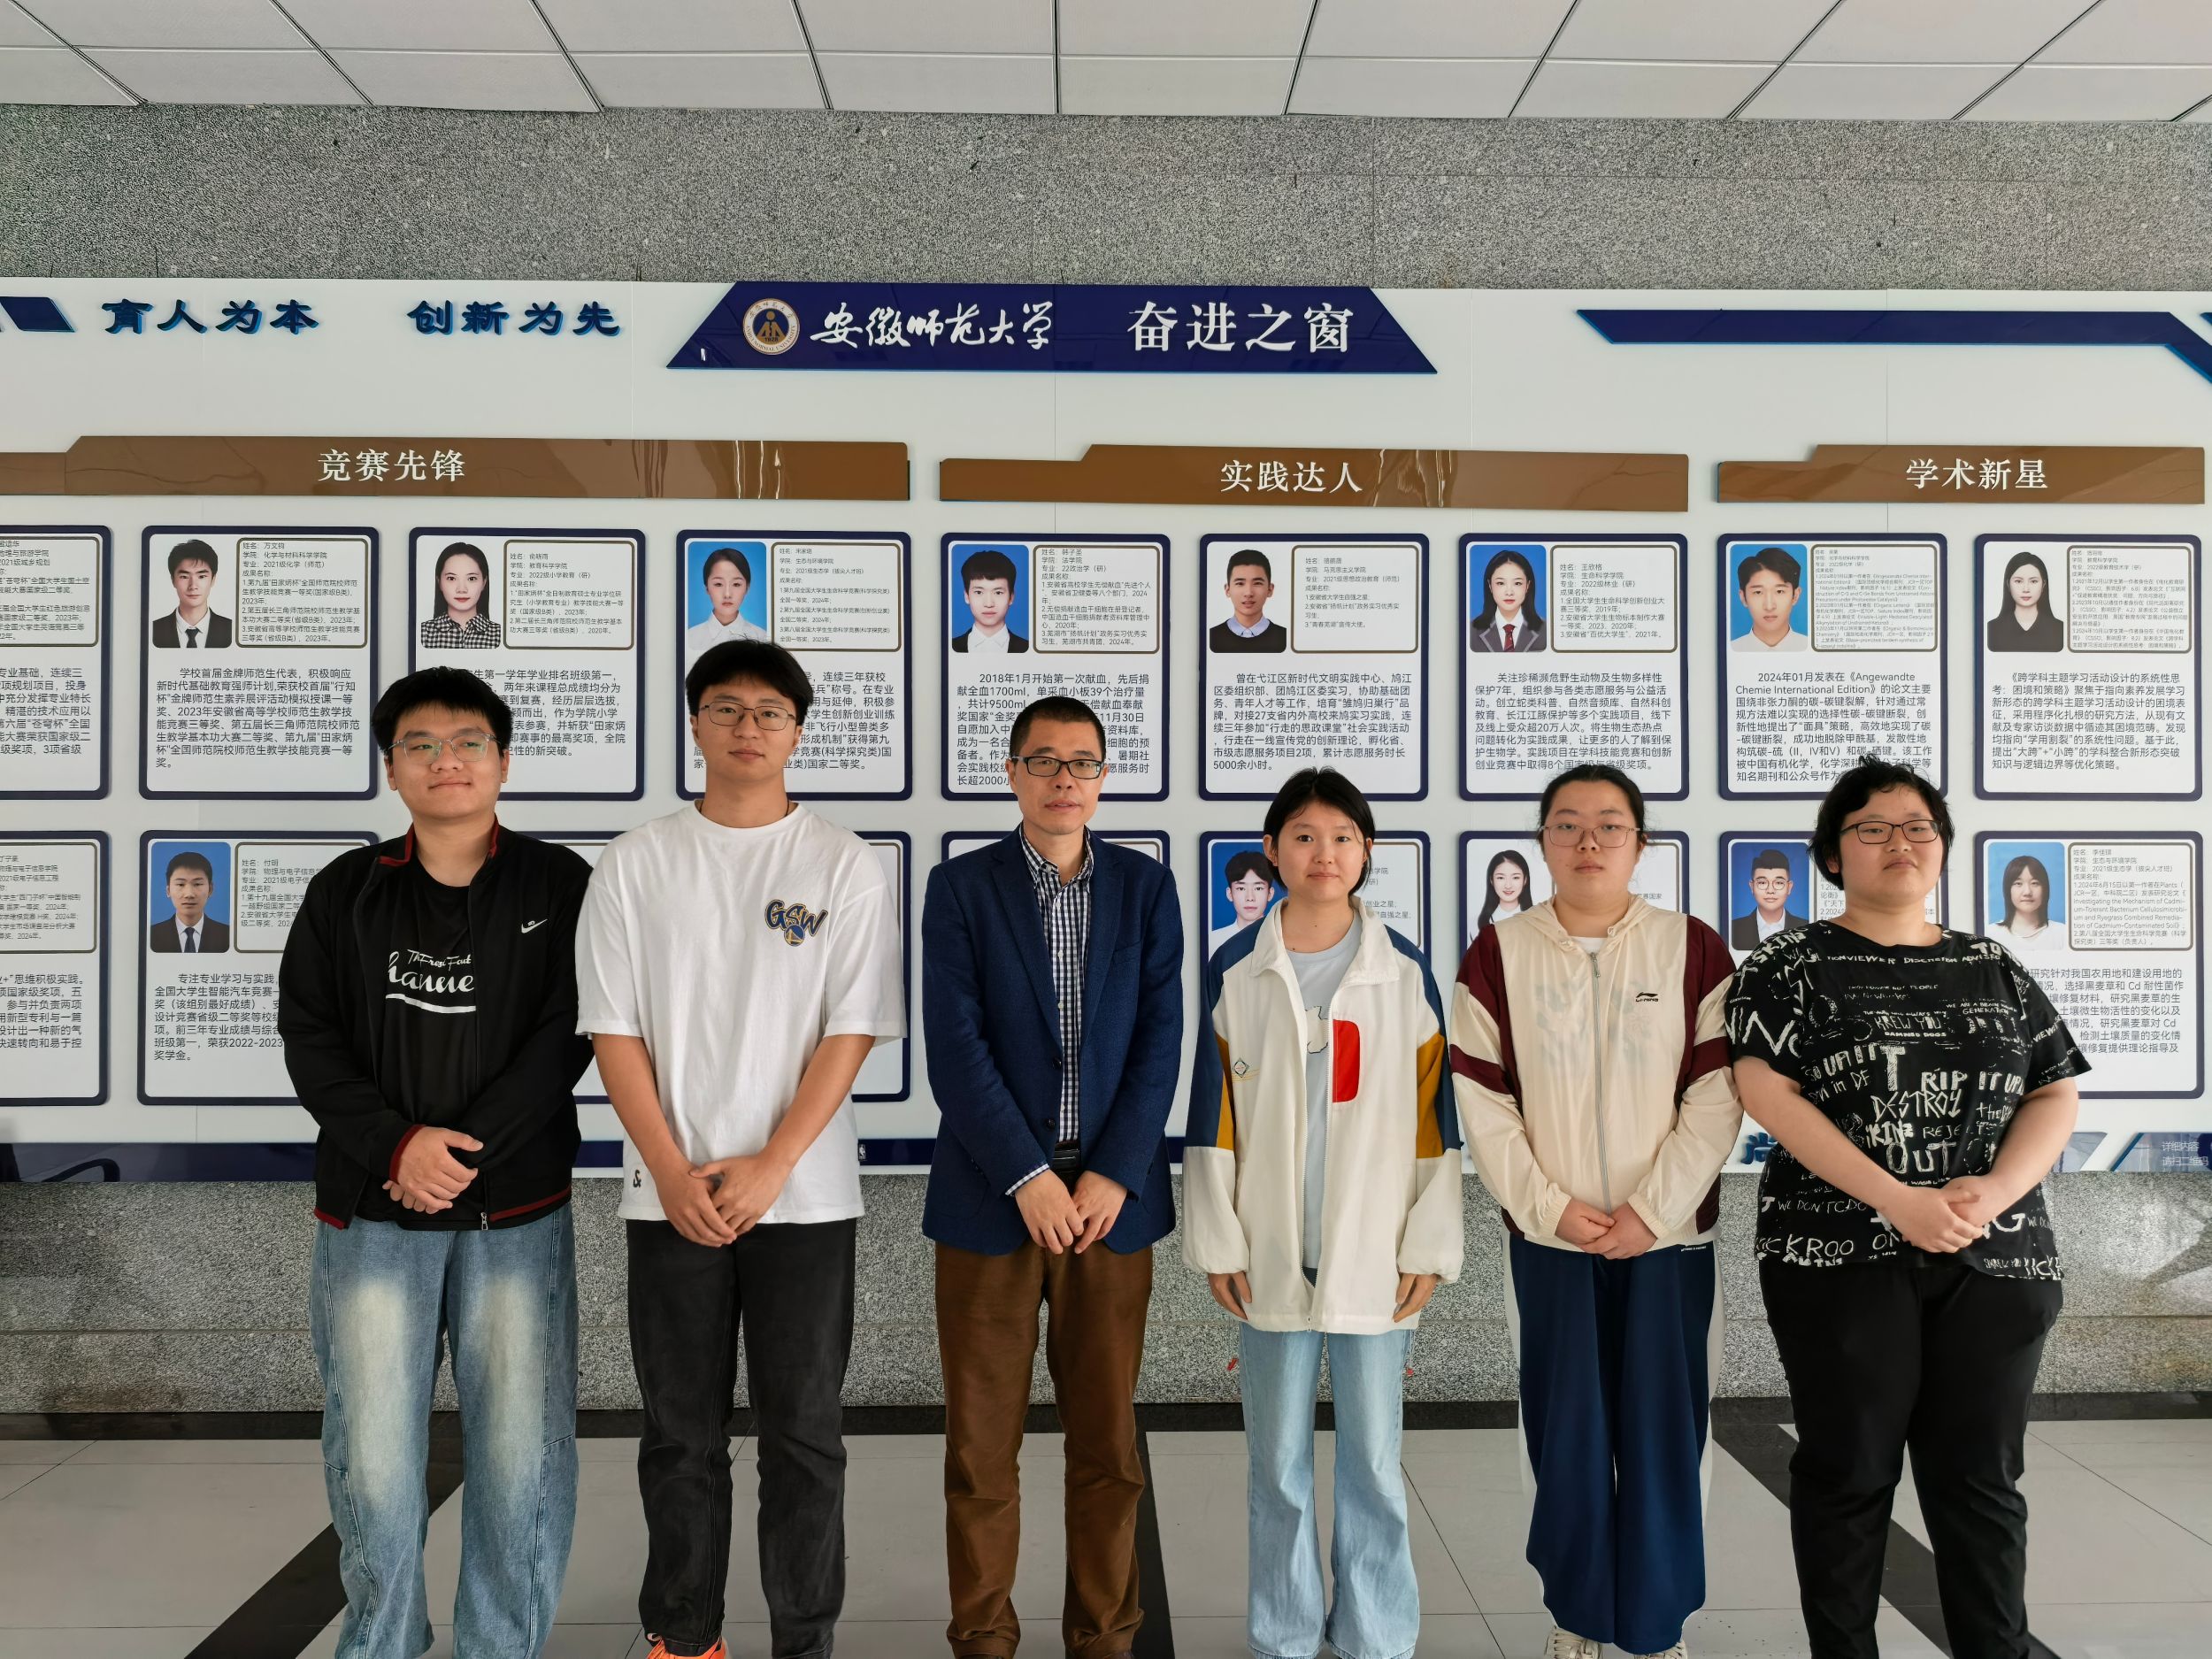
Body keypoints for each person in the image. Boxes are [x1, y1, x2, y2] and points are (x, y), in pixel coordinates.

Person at [577, 639, 903, 1659]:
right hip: (668, 1197)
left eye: (770, 711)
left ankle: (804, 1641)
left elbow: (851, 1029)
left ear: (797, 730)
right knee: (680, 1436)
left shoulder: (842, 863)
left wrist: (771, 1164)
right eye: (726, 708)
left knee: (804, 1438)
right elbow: (613, 1031)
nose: (748, 727)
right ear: (694, 724)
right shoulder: (636, 861)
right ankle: (684, 1638)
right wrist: (673, 1171)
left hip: (803, 1200)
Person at [1725, 757, 2086, 1659]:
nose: (1901, 842)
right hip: (1838, 1256)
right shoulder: (1788, 963)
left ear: (1942, 848)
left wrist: (1993, 1191)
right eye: (1873, 828)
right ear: (1832, 855)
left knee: (1982, 1483)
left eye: (1919, 827)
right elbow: (1764, 1091)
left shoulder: (1990, 964)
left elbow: (2053, 1090)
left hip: (1996, 1257)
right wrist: (1896, 1200)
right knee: (1847, 1474)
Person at [276, 665, 594, 1659]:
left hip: (515, 1212)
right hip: (374, 1212)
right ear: (392, 768)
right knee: (371, 1455)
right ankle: (381, 1644)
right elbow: (309, 1038)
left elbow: (570, 1032)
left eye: (467, 742)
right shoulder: (345, 890)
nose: (444, 760)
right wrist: (397, 1146)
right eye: (420, 745)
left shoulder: (559, 883)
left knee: (520, 1454)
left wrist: (461, 1151)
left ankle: (503, 1647)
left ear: (503, 760)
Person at [1450, 764, 1741, 1659]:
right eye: (1567, 824)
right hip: (1551, 1243)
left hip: (1669, 1243)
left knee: (1666, 1436)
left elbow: (1717, 1093)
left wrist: (1652, 1211)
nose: (1588, 841)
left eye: (1609, 824)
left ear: (1639, 843)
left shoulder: (1692, 947)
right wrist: (1549, 1209)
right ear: (1542, 841)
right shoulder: (1498, 953)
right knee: (1566, 1433)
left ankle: (1656, 1625)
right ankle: (1577, 1615)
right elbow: (1482, 1100)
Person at [920, 694, 1186, 1659]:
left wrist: (1113, 1172)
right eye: (1043, 760)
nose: (1063, 778)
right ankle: (983, 1636)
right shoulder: (961, 887)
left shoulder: (1145, 887)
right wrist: (1026, 1174)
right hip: (991, 1200)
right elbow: (955, 1047)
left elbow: (1161, 1038)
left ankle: (1104, 1635)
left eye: (1081, 762)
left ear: (1103, 778)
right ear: (1011, 774)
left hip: (1109, 1209)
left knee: (1107, 1446)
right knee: (980, 1449)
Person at [1185, 768, 1463, 1659]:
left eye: (1343, 836)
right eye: (1304, 835)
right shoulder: (1236, 967)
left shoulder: (1402, 969)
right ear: (1272, 849)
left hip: (1375, 1249)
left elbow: (1434, 1120)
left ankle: (1376, 1638)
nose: (1324, 853)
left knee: (1374, 1463)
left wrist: (1427, 1240)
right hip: (1268, 1246)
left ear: (1366, 850)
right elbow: (1211, 1114)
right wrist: (1218, 1236)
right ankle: (1285, 1635)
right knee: (1276, 1465)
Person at [685, 545, 771, 661]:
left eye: (736, 584)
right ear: (707, 588)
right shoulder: (689, 638)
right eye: (718, 584)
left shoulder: (762, 638)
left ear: (747, 587)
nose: (727, 594)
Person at [149, 539, 233, 649]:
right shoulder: (153, 629)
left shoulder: (231, 629)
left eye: (201, 576)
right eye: (184, 577)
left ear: (213, 579)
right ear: (173, 580)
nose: (193, 586)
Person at [420, 541, 503, 649]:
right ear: (439, 582)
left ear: (484, 582)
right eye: (451, 578)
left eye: (471, 578)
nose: (462, 589)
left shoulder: (499, 634)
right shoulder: (423, 633)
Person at [149, 849, 230, 954]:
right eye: (180, 884)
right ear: (168, 891)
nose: (189, 894)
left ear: (210, 889)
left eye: (197, 884)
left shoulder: (228, 935)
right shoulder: (151, 935)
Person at [950, 548, 1031, 654]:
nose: (989, 604)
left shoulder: (1027, 648)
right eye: (979, 592)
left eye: (998, 593)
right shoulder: (951, 647)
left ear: (1011, 597)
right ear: (967, 596)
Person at [1731, 547, 1809, 653]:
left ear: (1795, 595)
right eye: (1758, 592)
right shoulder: (1732, 649)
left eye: (1779, 591)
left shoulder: (1811, 649)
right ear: (1743, 597)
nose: (1769, 606)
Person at [1209, 548, 1288, 654]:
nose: (1248, 593)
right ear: (1228, 590)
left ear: (1270, 589)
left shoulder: (1285, 637)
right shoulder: (1211, 637)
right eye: (1240, 583)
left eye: (1257, 583)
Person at [1470, 548, 1548, 653]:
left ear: (1528, 586)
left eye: (1517, 583)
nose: (1509, 592)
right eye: (1500, 583)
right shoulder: (1470, 631)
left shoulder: (1547, 630)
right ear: (1490, 585)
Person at [1731, 848, 1810, 951]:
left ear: (1789, 887)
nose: (1770, 890)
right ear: (1752, 886)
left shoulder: (1806, 928)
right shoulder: (1734, 928)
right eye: (1762, 882)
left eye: (1779, 883)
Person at [1985, 550, 2064, 653]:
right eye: (2018, 581)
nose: (2026, 589)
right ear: (2008, 584)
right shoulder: (1992, 629)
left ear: (2043, 585)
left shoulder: (2060, 629)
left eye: (2033, 581)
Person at [1988, 853, 2068, 952]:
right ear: (2008, 890)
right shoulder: (1990, 935)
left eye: (2034, 883)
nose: (2027, 892)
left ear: (2045, 889)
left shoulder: (2063, 933)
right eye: (2018, 883)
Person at [1207, 848, 1278, 956]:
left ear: (1270, 893)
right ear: (1229, 893)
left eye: (1258, 888)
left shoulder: (1284, 939)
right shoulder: (1214, 940)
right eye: (1241, 888)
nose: (1250, 898)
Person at [1475, 848, 1532, 933]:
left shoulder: (1537, 921)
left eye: (1515, 877)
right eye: (1501, 878)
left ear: (1525, 880)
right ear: (1491, 880)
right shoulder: (1474, 926)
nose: (1508, 886)